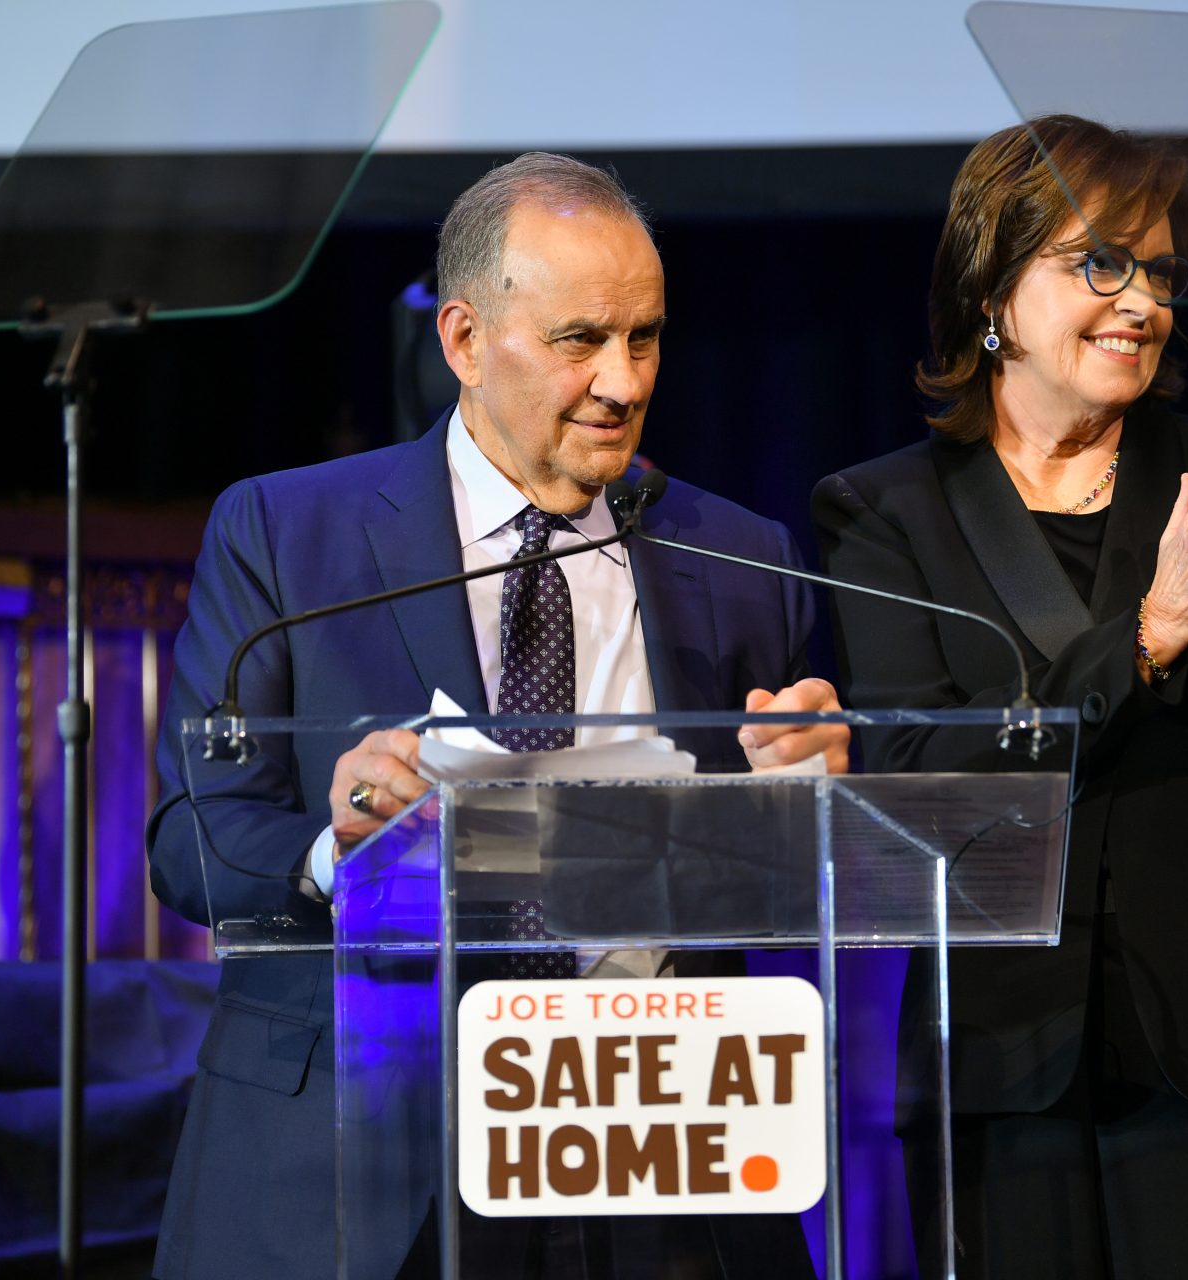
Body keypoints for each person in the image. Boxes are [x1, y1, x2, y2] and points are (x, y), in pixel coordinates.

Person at [147, 152, 847, 1280]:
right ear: (465, 340)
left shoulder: (741, 558)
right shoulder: (287, 535)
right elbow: (193, 840)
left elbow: (771, 887)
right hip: (362, 1160)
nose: (623, 381)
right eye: (581, 339)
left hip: (654, 1147)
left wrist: (803, 804)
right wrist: (339, 850)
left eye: (646, 337)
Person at [811, 115, 1188, 1279]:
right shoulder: (883, 512)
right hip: (1003, 1064)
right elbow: (918, 782)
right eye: (1101, 265)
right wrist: (1154, 632)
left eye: (1159, 272)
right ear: (991, 294)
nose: (1142, 302)